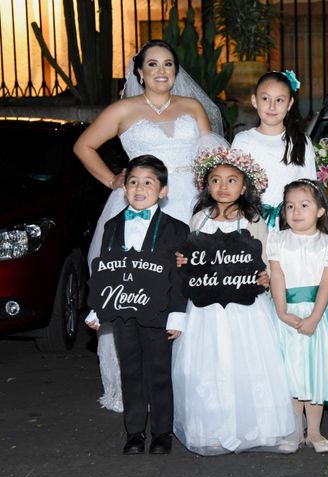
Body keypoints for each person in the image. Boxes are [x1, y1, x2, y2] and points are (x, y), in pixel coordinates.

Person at [74, 39, 226, 413]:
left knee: (192, 293)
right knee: (138, 292)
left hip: (190, 204)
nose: (161, 71)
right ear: (139, 71)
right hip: (139, 203)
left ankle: (193, 384)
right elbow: (83, 146)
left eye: (169, 64)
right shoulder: (123, 109)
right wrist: (112, 179)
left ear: (177, 71)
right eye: (153, 64)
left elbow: (211, 159)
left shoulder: (192, 107)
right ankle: (134, 387)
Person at [172, 147, 299, 455]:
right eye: (216, 180)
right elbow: (191, 255)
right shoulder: (199, 219)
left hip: (246, 308)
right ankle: (212, 428)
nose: (223, 186)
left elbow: (266, 255)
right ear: (206, 185)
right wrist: (182, 261)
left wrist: (265, 275)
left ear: (244, 187)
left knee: (249, 362)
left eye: (231, 180)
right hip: (207, 310)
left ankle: (260, 428)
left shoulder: (252, 220)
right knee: (209, 364)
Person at [85, 155, 189, 455]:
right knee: (130, 370)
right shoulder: (113, 225)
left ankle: (161, 433)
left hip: (157, 312)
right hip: (122, 312)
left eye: (148, 183)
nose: (139, 189)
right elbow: (105, 271)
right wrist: (97, 309)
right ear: (124, 187)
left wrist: (177, 315)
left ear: (163, 190)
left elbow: (179, 276)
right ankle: (133, 433)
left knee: (158, 370)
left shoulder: (176, 229)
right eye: (132, 182)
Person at [266, 179, 328, 453]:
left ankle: (315, 431)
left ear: (321, 210)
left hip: (317, 314)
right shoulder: (277, 239)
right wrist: (281, 311)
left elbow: (327, 284)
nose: (296, 211)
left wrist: (314, 317)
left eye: (304, 205)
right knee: (291, 371)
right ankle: (294, 430)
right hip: (285, 313)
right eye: (290, 206)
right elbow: (277, 275)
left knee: (315, 371)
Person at [231, 70, 316, 230]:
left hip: (291, 224)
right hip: (251, 223)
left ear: (289, 104)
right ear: (254, 100)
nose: (272, 106)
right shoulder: (243, 141)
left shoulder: (301, 142)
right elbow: (235, 186)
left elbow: (310, 189)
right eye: (265, 99)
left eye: (279, 100)